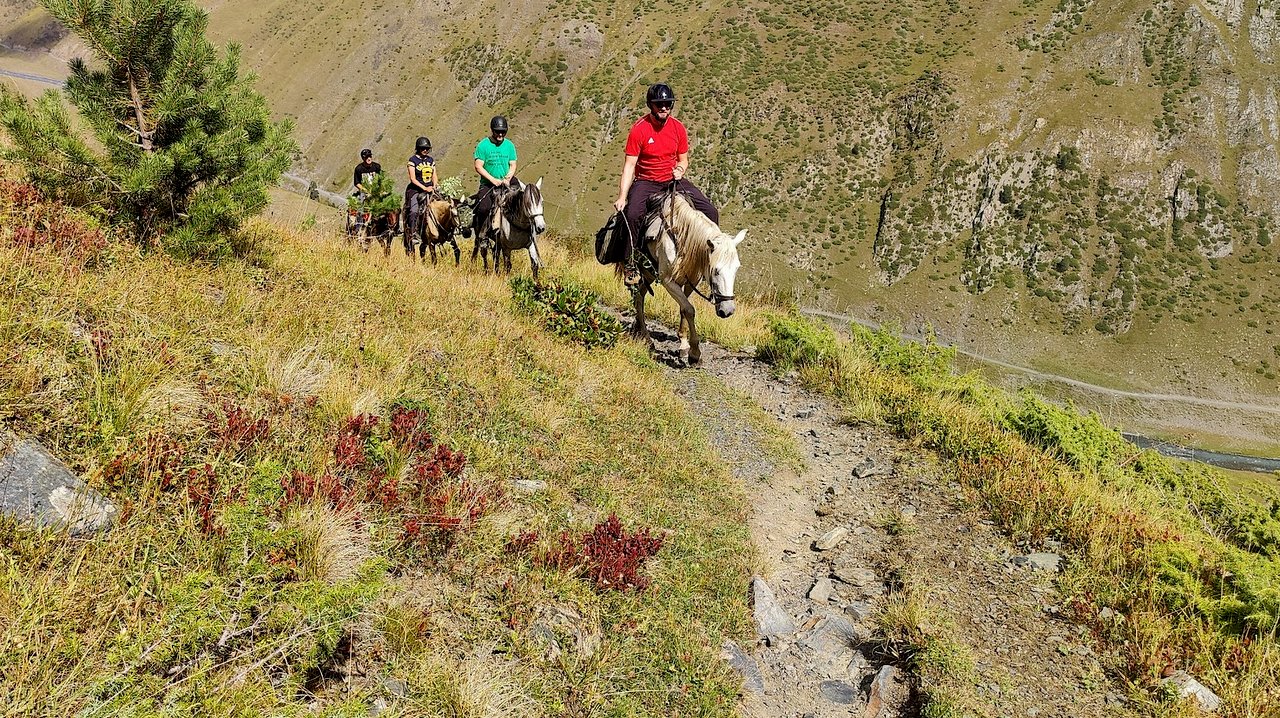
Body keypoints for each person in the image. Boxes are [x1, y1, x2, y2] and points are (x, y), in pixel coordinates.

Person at [613, 83, 719, 285]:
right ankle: (630, 263)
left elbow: (683, 159)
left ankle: (708, 260)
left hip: (672, 180)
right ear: (650, 105)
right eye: (659, 104)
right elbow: (629, 166)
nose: (664, 108)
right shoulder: (639, 130)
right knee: (633, 214)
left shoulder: (678, 128)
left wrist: (680, 169)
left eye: (667, 104)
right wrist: (622, 196)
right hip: (646, 181)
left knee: (711, 212)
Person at [472, 116, 518, 240]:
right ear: (492, 130)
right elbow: (478, 166)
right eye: (498, 131)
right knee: (483, 207)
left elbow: (513, 164)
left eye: (503, 132)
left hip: (506, 179)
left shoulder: (509, 145)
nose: (500, 134)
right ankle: (483, 235)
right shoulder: (483, 145)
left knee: (521, 196)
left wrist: (508, 177)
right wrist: (493, 180)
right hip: (488, 183)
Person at [403, 136, 437, 249]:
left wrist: (434, 185)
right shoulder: (413, 160)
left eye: (427, 148)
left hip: (430, 188)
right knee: (414, 210)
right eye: (423, 148)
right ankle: (413, 234)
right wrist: (424, 188)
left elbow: (434, 175)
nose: (425, 150)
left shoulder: (431, 160)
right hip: (416, 190)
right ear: (418, 148)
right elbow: (413, 179)